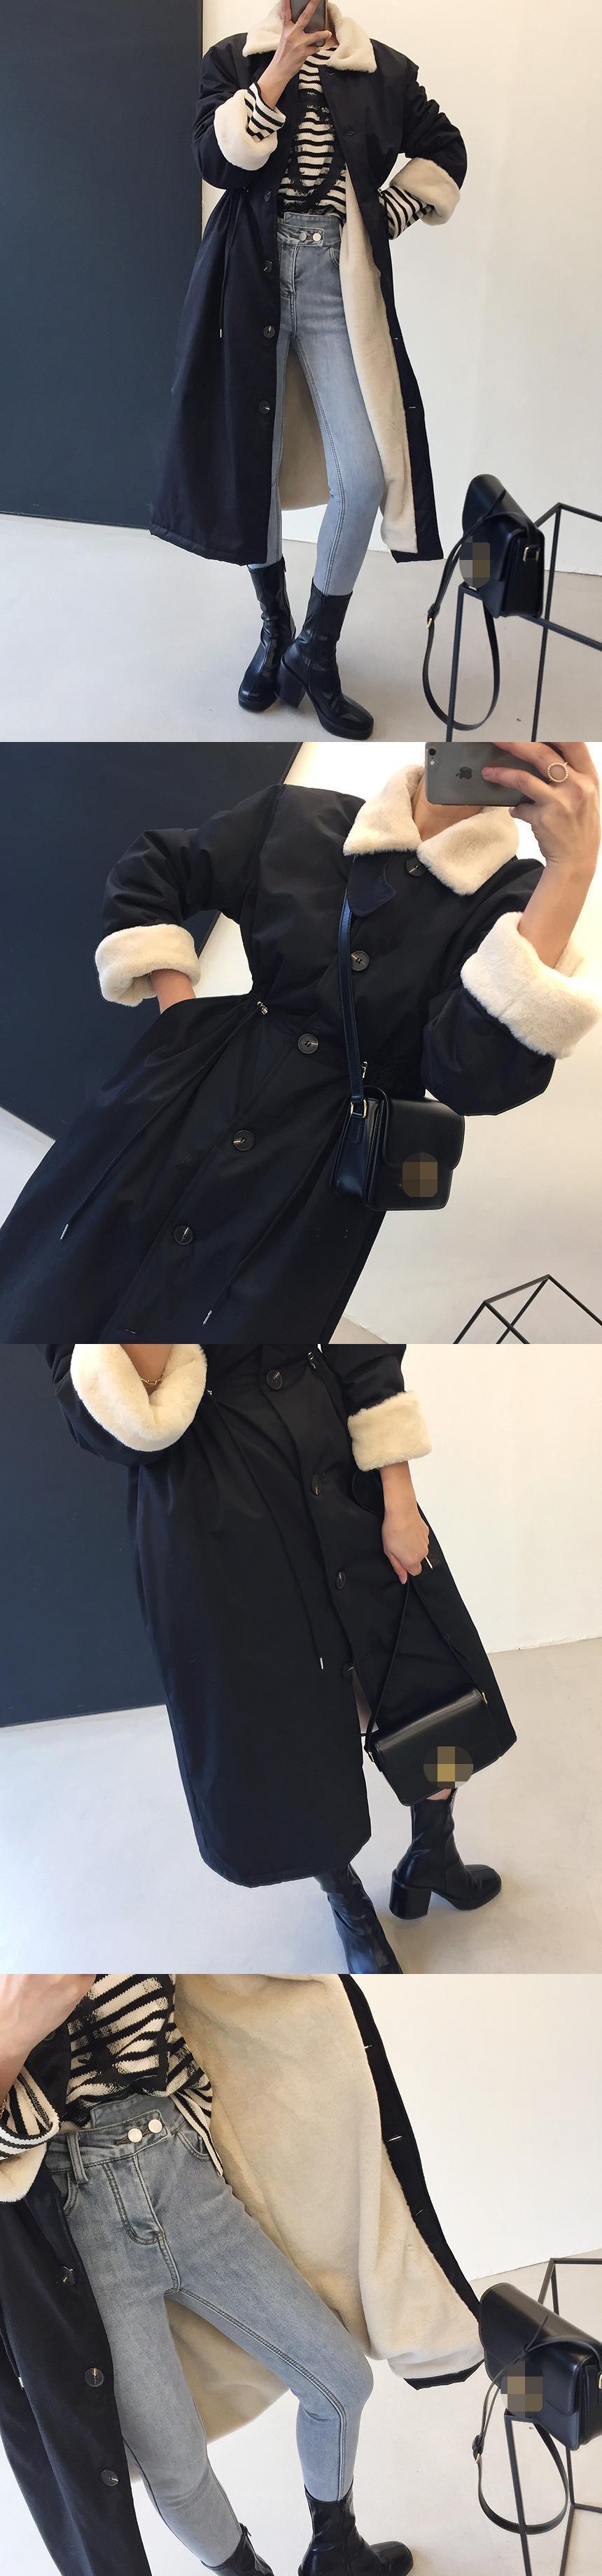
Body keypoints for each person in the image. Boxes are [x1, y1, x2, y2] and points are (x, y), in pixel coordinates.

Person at [0, 746, 598, 1341]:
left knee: (215, 1360)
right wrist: (178, 1013)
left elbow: (471, 1078)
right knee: (52, 1285)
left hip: (320, 1176)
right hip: (180, 1107)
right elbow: (155, 870)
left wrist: (571, 869)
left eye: (520, 737)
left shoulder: (521, 904)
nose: (493, 748)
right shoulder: (302, 820)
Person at [48, 1341, 516, 1972]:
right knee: (286, 1739)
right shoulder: (63, 1275)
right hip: (213, 1514)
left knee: (432, 1685)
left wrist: (399, 1494)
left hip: (336, 1461)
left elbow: (361, 1345)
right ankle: (348, 1902)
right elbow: (105, 1426)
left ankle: (434, 1850)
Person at [0, 1973, 482, 2576]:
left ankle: (336, 2550)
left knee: (340, 2384)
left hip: (185, 2175)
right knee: (176, 2470)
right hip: (82, 2219)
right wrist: (12, 2034)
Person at [150, 2, 468, 734]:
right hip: (247, 275)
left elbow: (444, 149)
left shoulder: (384, 70)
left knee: (365, 473)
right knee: (251, 463)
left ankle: (314, 651)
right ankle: (275, 630)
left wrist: (384, 214)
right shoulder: (234, 58)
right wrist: (276, 75)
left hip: (336, 281)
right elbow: (214, 162)